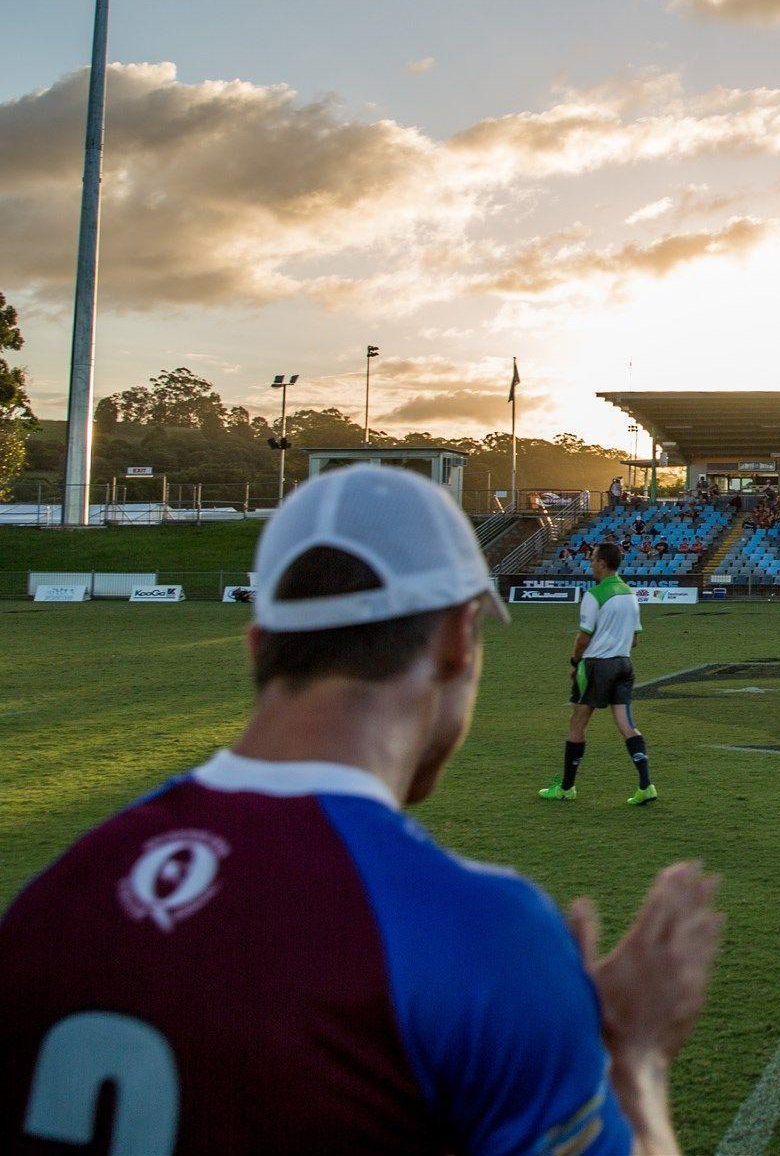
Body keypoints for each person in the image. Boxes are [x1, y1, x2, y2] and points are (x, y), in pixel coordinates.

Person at [0, 465, 723, 1154]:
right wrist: (633, 1059)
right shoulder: (482, 936)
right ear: (453, 642)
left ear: (258, 645)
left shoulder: (50, 900)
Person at [540, 541, 657, 806]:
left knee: (577, 724)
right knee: (627, 725)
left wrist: (575, 662)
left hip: (597, 666)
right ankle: (645, 785)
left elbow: (583, 639)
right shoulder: (629, 593)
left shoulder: (594, 595)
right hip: (624, 664)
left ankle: (567, 787)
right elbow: (635, 641)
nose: (590, 563)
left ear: (602, 563)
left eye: (593, 559)